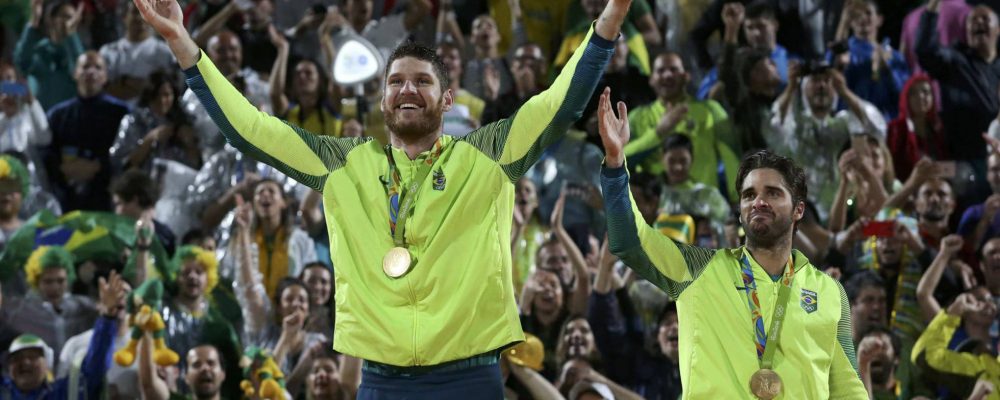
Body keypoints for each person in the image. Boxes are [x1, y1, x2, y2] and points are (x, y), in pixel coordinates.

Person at [137, 0, 625, 395]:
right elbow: (252, 131)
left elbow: (559, 102)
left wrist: (612, 15)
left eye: (422, 81)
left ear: (447, 100)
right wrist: (182, 42)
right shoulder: (341, 164)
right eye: (395, 82)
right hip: (381, 381)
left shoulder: (488, 155)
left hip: (470, 378)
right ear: (383, 98)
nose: (406, 89)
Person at [597, 87, 866, 397]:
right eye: (749, 195)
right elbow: (628, 240)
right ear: (739, 210)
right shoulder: (698, 269)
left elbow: (848, 387)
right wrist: (616, 164)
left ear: (798, 210)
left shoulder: (830, 292)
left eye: (773, 193)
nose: (759, 202)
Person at [624, 52, 738, 200]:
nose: (667, 75)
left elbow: (732, 158)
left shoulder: (711, 110)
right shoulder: (636, 117)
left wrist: (737, 199)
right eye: (660, 71)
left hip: (704, 207)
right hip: (658, 210)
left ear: (686, 76)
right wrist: (658, 133)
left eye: (674, 69)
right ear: (651, 79)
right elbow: (620, 161)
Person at [0, 270, 125, 400]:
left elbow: (95, 366)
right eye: (17, 358)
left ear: (47, 364)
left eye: (33, 356)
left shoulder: (64, 392)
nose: (25, 362)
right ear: (9, 367)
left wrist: (108, 317)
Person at [43, 51, 130, 212]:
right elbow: (47, 153)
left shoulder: (121, 112)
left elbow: (127, 153)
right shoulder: (57, 115)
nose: (91, 72)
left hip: (106, 199)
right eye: (85, 67)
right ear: (75, 73)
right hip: (65, 199)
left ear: (105, 76)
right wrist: (63, 169)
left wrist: (98, 167)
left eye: (98, 67)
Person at [2, 245, 98, 360]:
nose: (55, 287)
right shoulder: (19, 310)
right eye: (48, 281)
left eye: (60, 281)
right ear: (36, 282)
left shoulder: (83, 306)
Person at [13, 0, 84, 110]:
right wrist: (33, 23)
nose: (68, 22)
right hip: (40, 118)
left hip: (68, 118)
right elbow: (22, 62)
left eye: (71, 18)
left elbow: (79, 72)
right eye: (64, 16)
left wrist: (72, 36)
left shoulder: (79, 51)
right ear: (51, 20)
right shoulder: (38, 49)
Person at [886, 74, 946, 181]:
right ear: (906, 98)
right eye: (914, 93)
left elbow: (945, 166)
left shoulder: (939, 129)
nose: (920, 96)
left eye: (926, 92)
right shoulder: (895, 129)